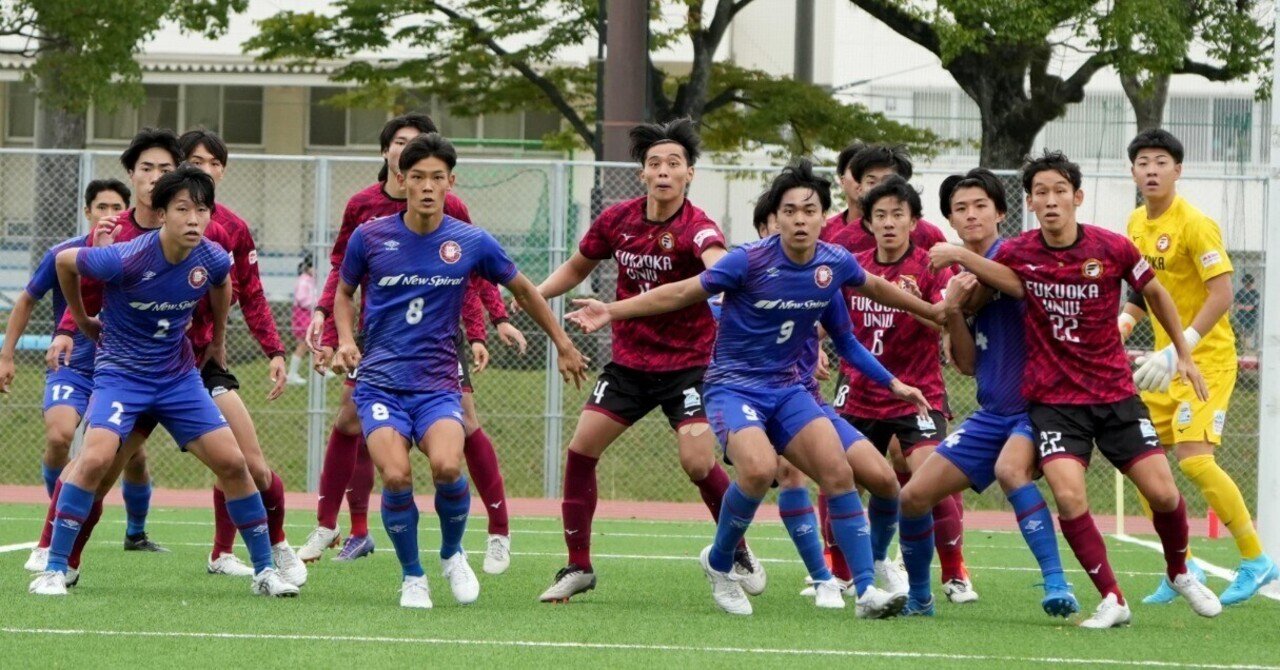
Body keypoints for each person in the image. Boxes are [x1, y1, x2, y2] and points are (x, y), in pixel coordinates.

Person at [566, 159, 941, 617]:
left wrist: (906, 363)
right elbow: (682, 292)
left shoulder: (834, 263)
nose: (800, 219)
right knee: (760, 470)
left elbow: (867, 308)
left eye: (809, 210)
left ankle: (865, 592)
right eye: (790, 211)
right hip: (732, 388)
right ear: (775, 218)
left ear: (825, 216)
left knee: (839, 473)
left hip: (789, 390)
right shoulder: (749, 260)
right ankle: (721, 563)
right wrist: (612, 309)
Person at [931, 150, 1222, 628]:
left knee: (1164, 494)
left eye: (1059, 191)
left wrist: (1183, 354)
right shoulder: (1019, 252)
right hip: (1055, 404)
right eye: (1040, 193)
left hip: (1113, 395)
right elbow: (1000, 283)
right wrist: (956, 279)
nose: (1050, 201)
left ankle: (1179, 572)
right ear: (1029, 202)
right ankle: (1112, 597)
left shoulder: (1112, 247)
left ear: (1077, 197)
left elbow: (1154, 294)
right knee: (1069, 496)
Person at [330, 133, 588, 608]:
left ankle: (452, 554)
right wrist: (346, 340)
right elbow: (343, 294)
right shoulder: (370, 237)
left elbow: (526, 290)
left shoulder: (469, 241)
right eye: (418, 177)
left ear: (451, 181)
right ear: (403, 180)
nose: (427, 186)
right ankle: (413, 576)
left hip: (438, 386)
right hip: (380, 384)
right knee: (396, 477)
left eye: (437, 177)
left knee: (449, 466)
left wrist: (563, 342)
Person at [29, 166, 298, 597]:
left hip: (177, 379)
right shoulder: (126, 256)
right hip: (121, 375)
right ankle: (55, 569)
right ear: (161, 214)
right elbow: (65, 262)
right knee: (96, 459)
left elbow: (224, 284)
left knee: (233, 462)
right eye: (183, 209)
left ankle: (265, 571)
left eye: (202, 210)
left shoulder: (210, 255)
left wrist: (218, 343)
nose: (194, 219)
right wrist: (81, 320)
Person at [532, 118, 765, 603]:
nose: (663, 171)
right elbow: (578, 267)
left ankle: (737, 549)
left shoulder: (697, 227)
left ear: (689, 174)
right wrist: (530, 295)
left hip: (690, 366)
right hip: (630, 365)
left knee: (698, 463)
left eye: (673, 164)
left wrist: (728, 277)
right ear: (641, 173)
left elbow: (716, 263)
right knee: (581, 449)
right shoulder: (617, 220)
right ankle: (578, 566)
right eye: (654, 163)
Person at [299, 113, 522, 569]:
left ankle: (498, 529)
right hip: (378, 338)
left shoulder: (450, 207)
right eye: (401, 144)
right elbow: (343, 270)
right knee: (348, 423)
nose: (408, 150)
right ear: (388, 156)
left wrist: (489, 323)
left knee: (467, 424)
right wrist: (327, 318)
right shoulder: (363, 208)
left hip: (439, 338)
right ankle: (338, 526)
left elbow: (476, 270)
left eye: (418, 144)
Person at [896, 168, 1077, 618]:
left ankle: (1057, 582)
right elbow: (967, 363)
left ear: (1001, 212)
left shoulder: (1019, 255)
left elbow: (1012, 283)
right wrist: (952, 310)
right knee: (913, 496)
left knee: (1011, 471)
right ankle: (920, 598)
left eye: (980, 205)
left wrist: (958, 264)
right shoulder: (961, 277)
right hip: (992, 413)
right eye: (960, 209)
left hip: (1037, 411)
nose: (971, 214)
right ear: (951, 220)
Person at [1118, 129, 1276, 605]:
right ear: (1133, 172)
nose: (1151, 170)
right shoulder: (1134, 224)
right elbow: (1141, 293)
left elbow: (1222, 293)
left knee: (1195, 459)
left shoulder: (1196, 224)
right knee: (1143, 465)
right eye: (1142, 162)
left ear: (1178, 170)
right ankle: (1180, 569)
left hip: (1205, 360)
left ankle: (1255, 560)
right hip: (1166, 364)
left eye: (1161, 162)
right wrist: (1124, 324)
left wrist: (1181, 347)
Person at [829, 175, 976, 605]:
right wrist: (814, 346)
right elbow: (826, 315)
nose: (889, 223)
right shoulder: (851, 265)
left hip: (919, 388)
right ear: (869, 223)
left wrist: (916, 303)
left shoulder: (932, 268)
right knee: (838, 475)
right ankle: (840, 574)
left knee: (931, 477)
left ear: (914, 221)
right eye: (880, 216)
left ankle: (954, 573)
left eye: (898, 214)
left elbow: (948, 321)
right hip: (859, 390)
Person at [175, 128, 305, 583]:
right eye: (194, 160)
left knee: (246, 462)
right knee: (100, 460)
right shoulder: (151, 223)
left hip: (202, 365)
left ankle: (275, 544)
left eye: (212, 163)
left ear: (223, 172)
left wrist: (274, 350)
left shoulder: (231, 229)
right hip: (144, 365)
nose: (203, 169)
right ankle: (57, 555)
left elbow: (251, 295)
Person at [0, 180, 129, 500]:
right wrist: (6, 356)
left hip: (118, 369)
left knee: (132, 456)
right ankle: (56, 514)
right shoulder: (63, 255)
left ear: (128, 213)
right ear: (88, 212)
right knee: (59, 438)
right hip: (70, 365)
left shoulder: (137, 256)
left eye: (117, 208)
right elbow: (27, 299)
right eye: (102, 207)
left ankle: (136, 533)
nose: (109, 214)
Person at [821, 144, 947, 252]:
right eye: (871, 182)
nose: (879, 189)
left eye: (888, 181)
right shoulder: (842, 242)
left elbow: (953, 277)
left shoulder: (928, 235)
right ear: (860, 189)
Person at [288, 255, 316, 385]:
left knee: (315, 342)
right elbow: (301, 299)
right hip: (303, 316)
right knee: (303, 345)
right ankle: (292, 375)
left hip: (309, 315)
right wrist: (315, 303)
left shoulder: (310, 280)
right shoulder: (304, 281)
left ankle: (319, 369)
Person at [1233, 274, 1259, 352]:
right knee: (1240, 333)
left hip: (1251, 317)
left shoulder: (1255, 293)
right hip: (1240, 316)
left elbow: (1250, 308)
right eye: (1245, 283)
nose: (1247, 285)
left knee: (1248, 334)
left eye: (1249, 283)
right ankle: (1244, 348)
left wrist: (1242, 306)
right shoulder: (1240, 292)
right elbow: (1235, 305)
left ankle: (1248, 349)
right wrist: (1244, 306)